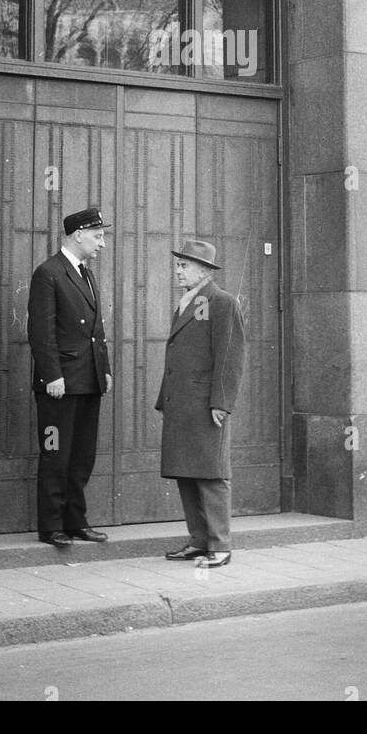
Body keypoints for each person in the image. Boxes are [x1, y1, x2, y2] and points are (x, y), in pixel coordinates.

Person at [155, 239, 246, 567]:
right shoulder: (187, 302)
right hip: (181, 403)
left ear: (205, 270)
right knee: (187, 473)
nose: (178, 270)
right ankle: (199, 541)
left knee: (210, 475)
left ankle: (220, 546)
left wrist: (221, 402)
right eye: (178, 265)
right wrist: (165, 398)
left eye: (185, 265)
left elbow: (230, 357)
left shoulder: (222, 303)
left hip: (206, 405)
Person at [27, 207, 113, 547]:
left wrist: (103, 369)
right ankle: (51, 527)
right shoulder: (48, 273)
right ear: (78, 234)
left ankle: (76, 521)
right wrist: (52, 376)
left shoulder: (86, 274)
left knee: (81, 456)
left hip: (87, 380)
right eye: (98, 236)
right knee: (56, 453)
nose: (102, 243)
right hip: (59, 385)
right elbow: (41, 331)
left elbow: (96, 330)